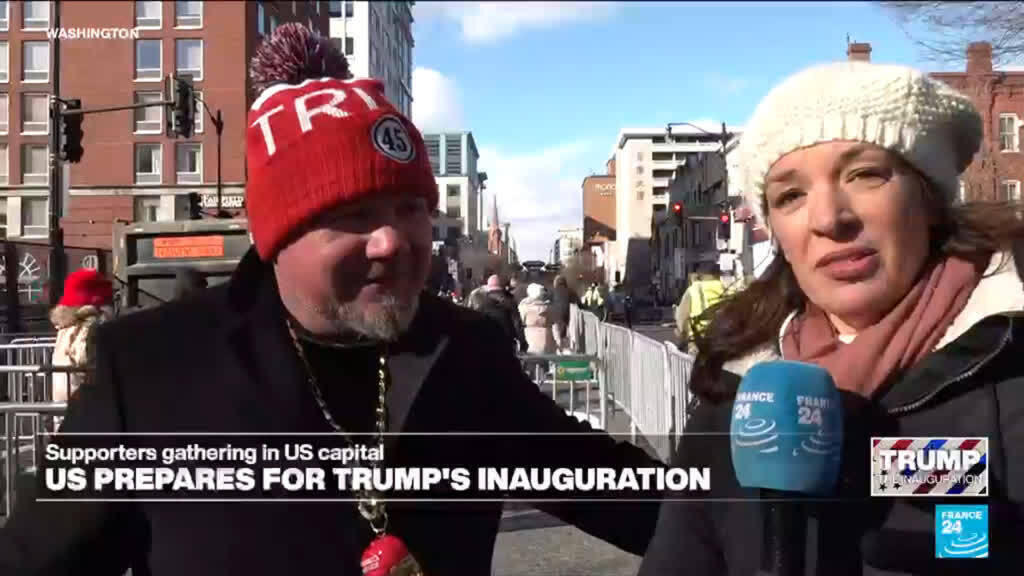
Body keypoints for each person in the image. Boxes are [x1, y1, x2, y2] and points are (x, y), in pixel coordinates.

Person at [0, 25, 661, 576]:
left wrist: (751, 504)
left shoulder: (465, 352)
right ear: (278, 234)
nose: (391, 240)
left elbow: (629, 497)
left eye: (410, 209)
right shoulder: (149, 369)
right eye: (352, 214)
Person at [639, 61, 1024, 576]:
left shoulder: (1008, 363)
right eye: (790, 196)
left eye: (864, 174)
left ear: (929, 198)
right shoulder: (736, 387)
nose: (828, 219)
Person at [49, 268, 114, 406]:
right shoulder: (89, 325)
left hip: (63, 403)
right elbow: (85, 359)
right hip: (84, 405)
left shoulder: (64, 326)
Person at [673, 265, 726, 355]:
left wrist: (682, 335)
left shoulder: (693, 290)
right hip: (725, 340)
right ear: (718, 275)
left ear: (701, 275)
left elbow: (682, 318)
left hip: (699, 342)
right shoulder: (729, 289)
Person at [478, 274, 527, 353]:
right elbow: (517, 323)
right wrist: (522, 342)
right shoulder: (510, 302)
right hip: (507, 341)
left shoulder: (481, 303)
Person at [519, 283, 556, 355]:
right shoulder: (548, 307)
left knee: (531, 360)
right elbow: (553, 321)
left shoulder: (524, 307)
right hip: (546, 336)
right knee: (545, 361)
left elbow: (520, 321)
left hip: (529, 336)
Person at [549, 275, 576, 352]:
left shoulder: (552, 291)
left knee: (557, 333)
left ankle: (559, 347)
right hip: (567, 315)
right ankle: (567, 347)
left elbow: (547, 300)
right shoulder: (570, 291)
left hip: (555, 316)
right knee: (565, 332)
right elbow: (577, 302)